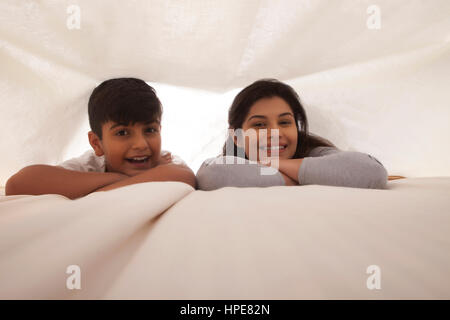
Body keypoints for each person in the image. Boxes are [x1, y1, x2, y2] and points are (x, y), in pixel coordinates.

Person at [5, 78, 196, 199]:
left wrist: (90, 195)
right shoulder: (89, 166)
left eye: (150, 130)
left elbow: (183, 176)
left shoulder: (166, 161)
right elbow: (17, 185)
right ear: (97, 143)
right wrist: (120, 179)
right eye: (122, 133)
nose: (141, 144)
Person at [196, 79, 387, 190]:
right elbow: (212, 175)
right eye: (260, 124)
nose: (275, 133)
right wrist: (310, 177)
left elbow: (372, 172)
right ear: (236, 136)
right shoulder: (226, 164)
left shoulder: (314, 153)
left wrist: (274, 163)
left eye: (285, 122)